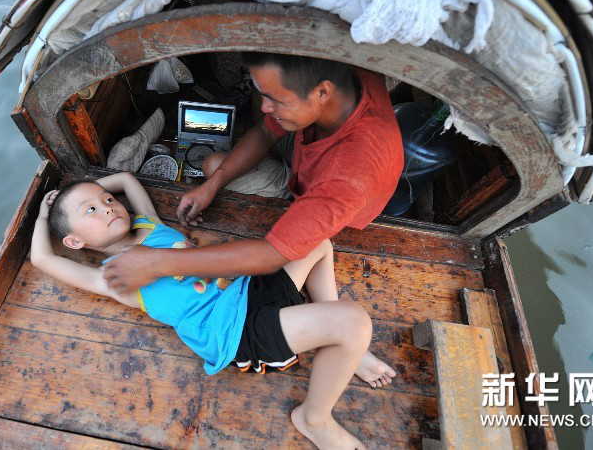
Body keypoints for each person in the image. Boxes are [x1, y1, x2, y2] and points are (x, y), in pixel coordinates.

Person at [31, 172, 397, 449]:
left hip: (249, 288)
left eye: (107, 200)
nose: (108, 207)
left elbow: (126, 179)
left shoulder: (148, 225)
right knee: (353, 321)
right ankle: (314, 418)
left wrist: (83, 192)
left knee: (317, 239)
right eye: (91, 211)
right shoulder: (110, 277)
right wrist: (46, 214)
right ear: (75, 241)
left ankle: (341, 343)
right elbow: (41, 258)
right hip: (236, 331)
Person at [102, 53, 403, 293]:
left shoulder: (349, 175)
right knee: (213, 167)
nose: (266, 108)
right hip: (305, 165)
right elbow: (264, 131)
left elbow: (272, 253)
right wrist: (214, 184)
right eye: (264, 95)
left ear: (322, 92)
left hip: (326, 200)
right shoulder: (333, 81)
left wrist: (156, 263)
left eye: (276, 100)